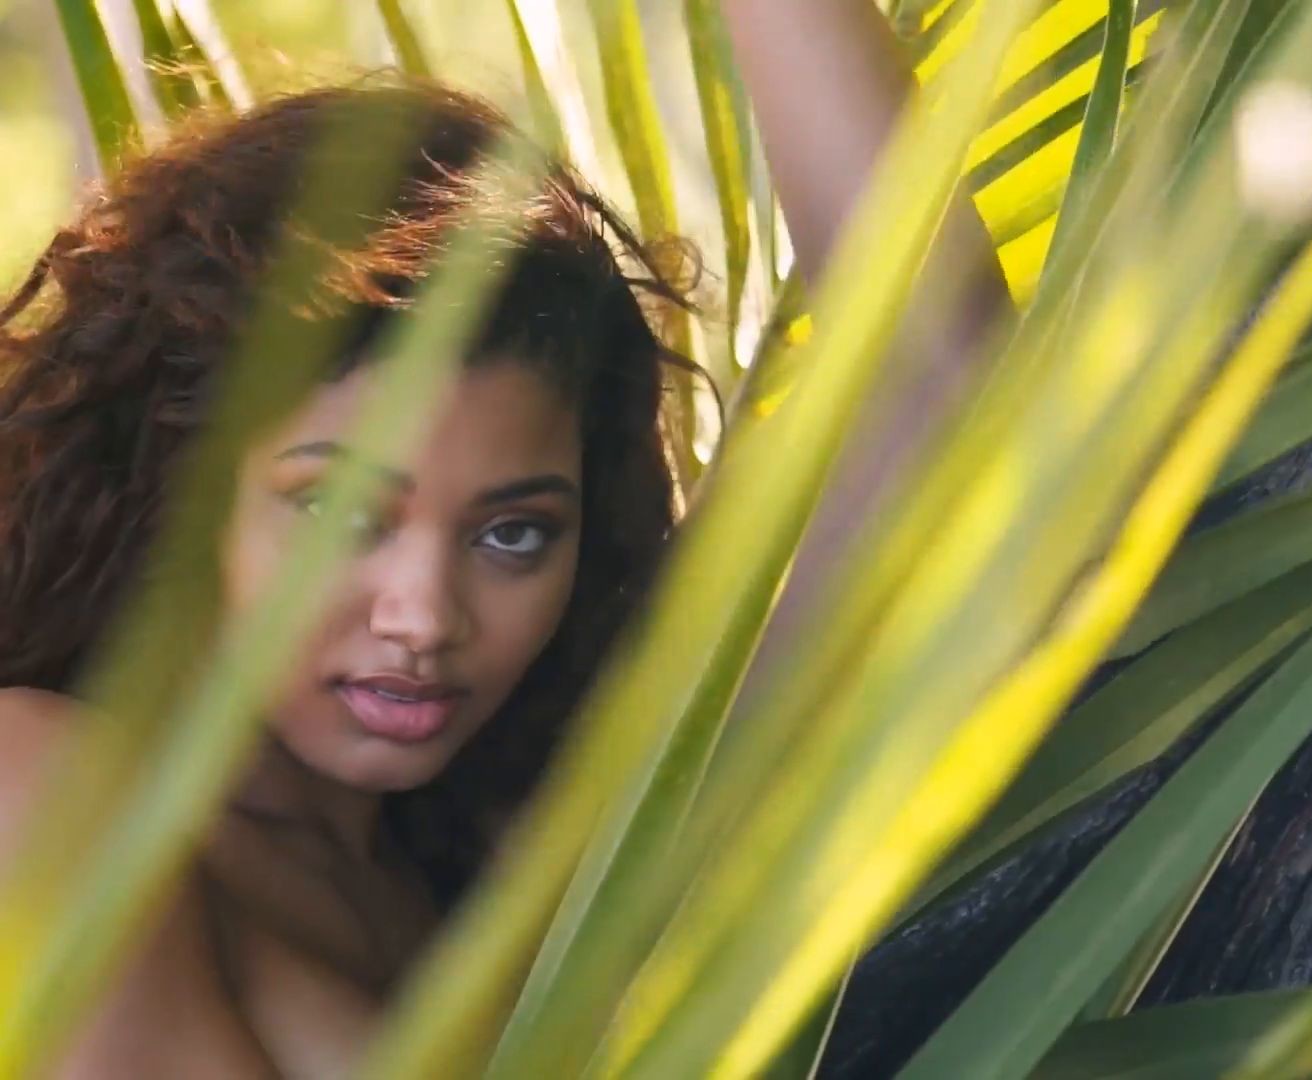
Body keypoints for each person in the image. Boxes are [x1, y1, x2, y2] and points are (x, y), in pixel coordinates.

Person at [0, 1, 1008, 1074]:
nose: (424, 617)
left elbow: (939, 372)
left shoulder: (536, 840)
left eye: (514, 534)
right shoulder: (41, 786)